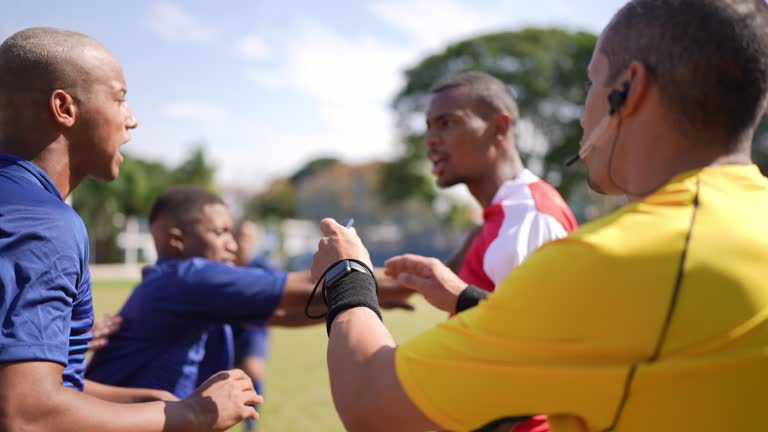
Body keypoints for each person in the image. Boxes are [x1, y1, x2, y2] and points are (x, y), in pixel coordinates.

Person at [312, 0, 768, 431]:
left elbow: (375, 406)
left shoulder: (612, 258)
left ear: (630, 89)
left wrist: (346, 272)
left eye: (592, 83)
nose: (579, 117)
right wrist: (468, 299)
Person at [0, 27, 262, 431]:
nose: (132, 120)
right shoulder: (45, 224)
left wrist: (149, 402)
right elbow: (25, 414)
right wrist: (194, 414)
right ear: (64, 108)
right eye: (120, 99)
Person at [86, 185, 413, 399]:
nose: (232, 244)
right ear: (177, 240)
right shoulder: (189, 279)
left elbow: (285, 313)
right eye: (220, 232)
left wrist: (370, 297)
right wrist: (421, 281)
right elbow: (303, 287)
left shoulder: (180, 286)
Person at [425, 71, 577, 292]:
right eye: (429, 126)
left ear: (500, 127)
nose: (430, 138)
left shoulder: (529, 217)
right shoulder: (503, 214)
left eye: (447, 123)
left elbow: (532, 325)